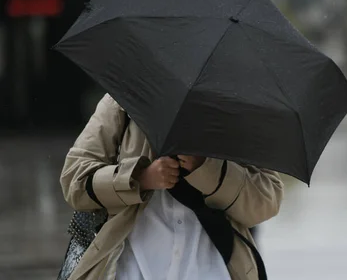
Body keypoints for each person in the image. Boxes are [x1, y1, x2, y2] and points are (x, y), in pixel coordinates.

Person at [60, 94, 284, 280]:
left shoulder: (235, 109)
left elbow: (267, 201)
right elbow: (74, 180)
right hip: (131, 269)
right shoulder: (123, 100)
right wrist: (139, 178)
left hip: (212, 270)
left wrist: (208, 170)